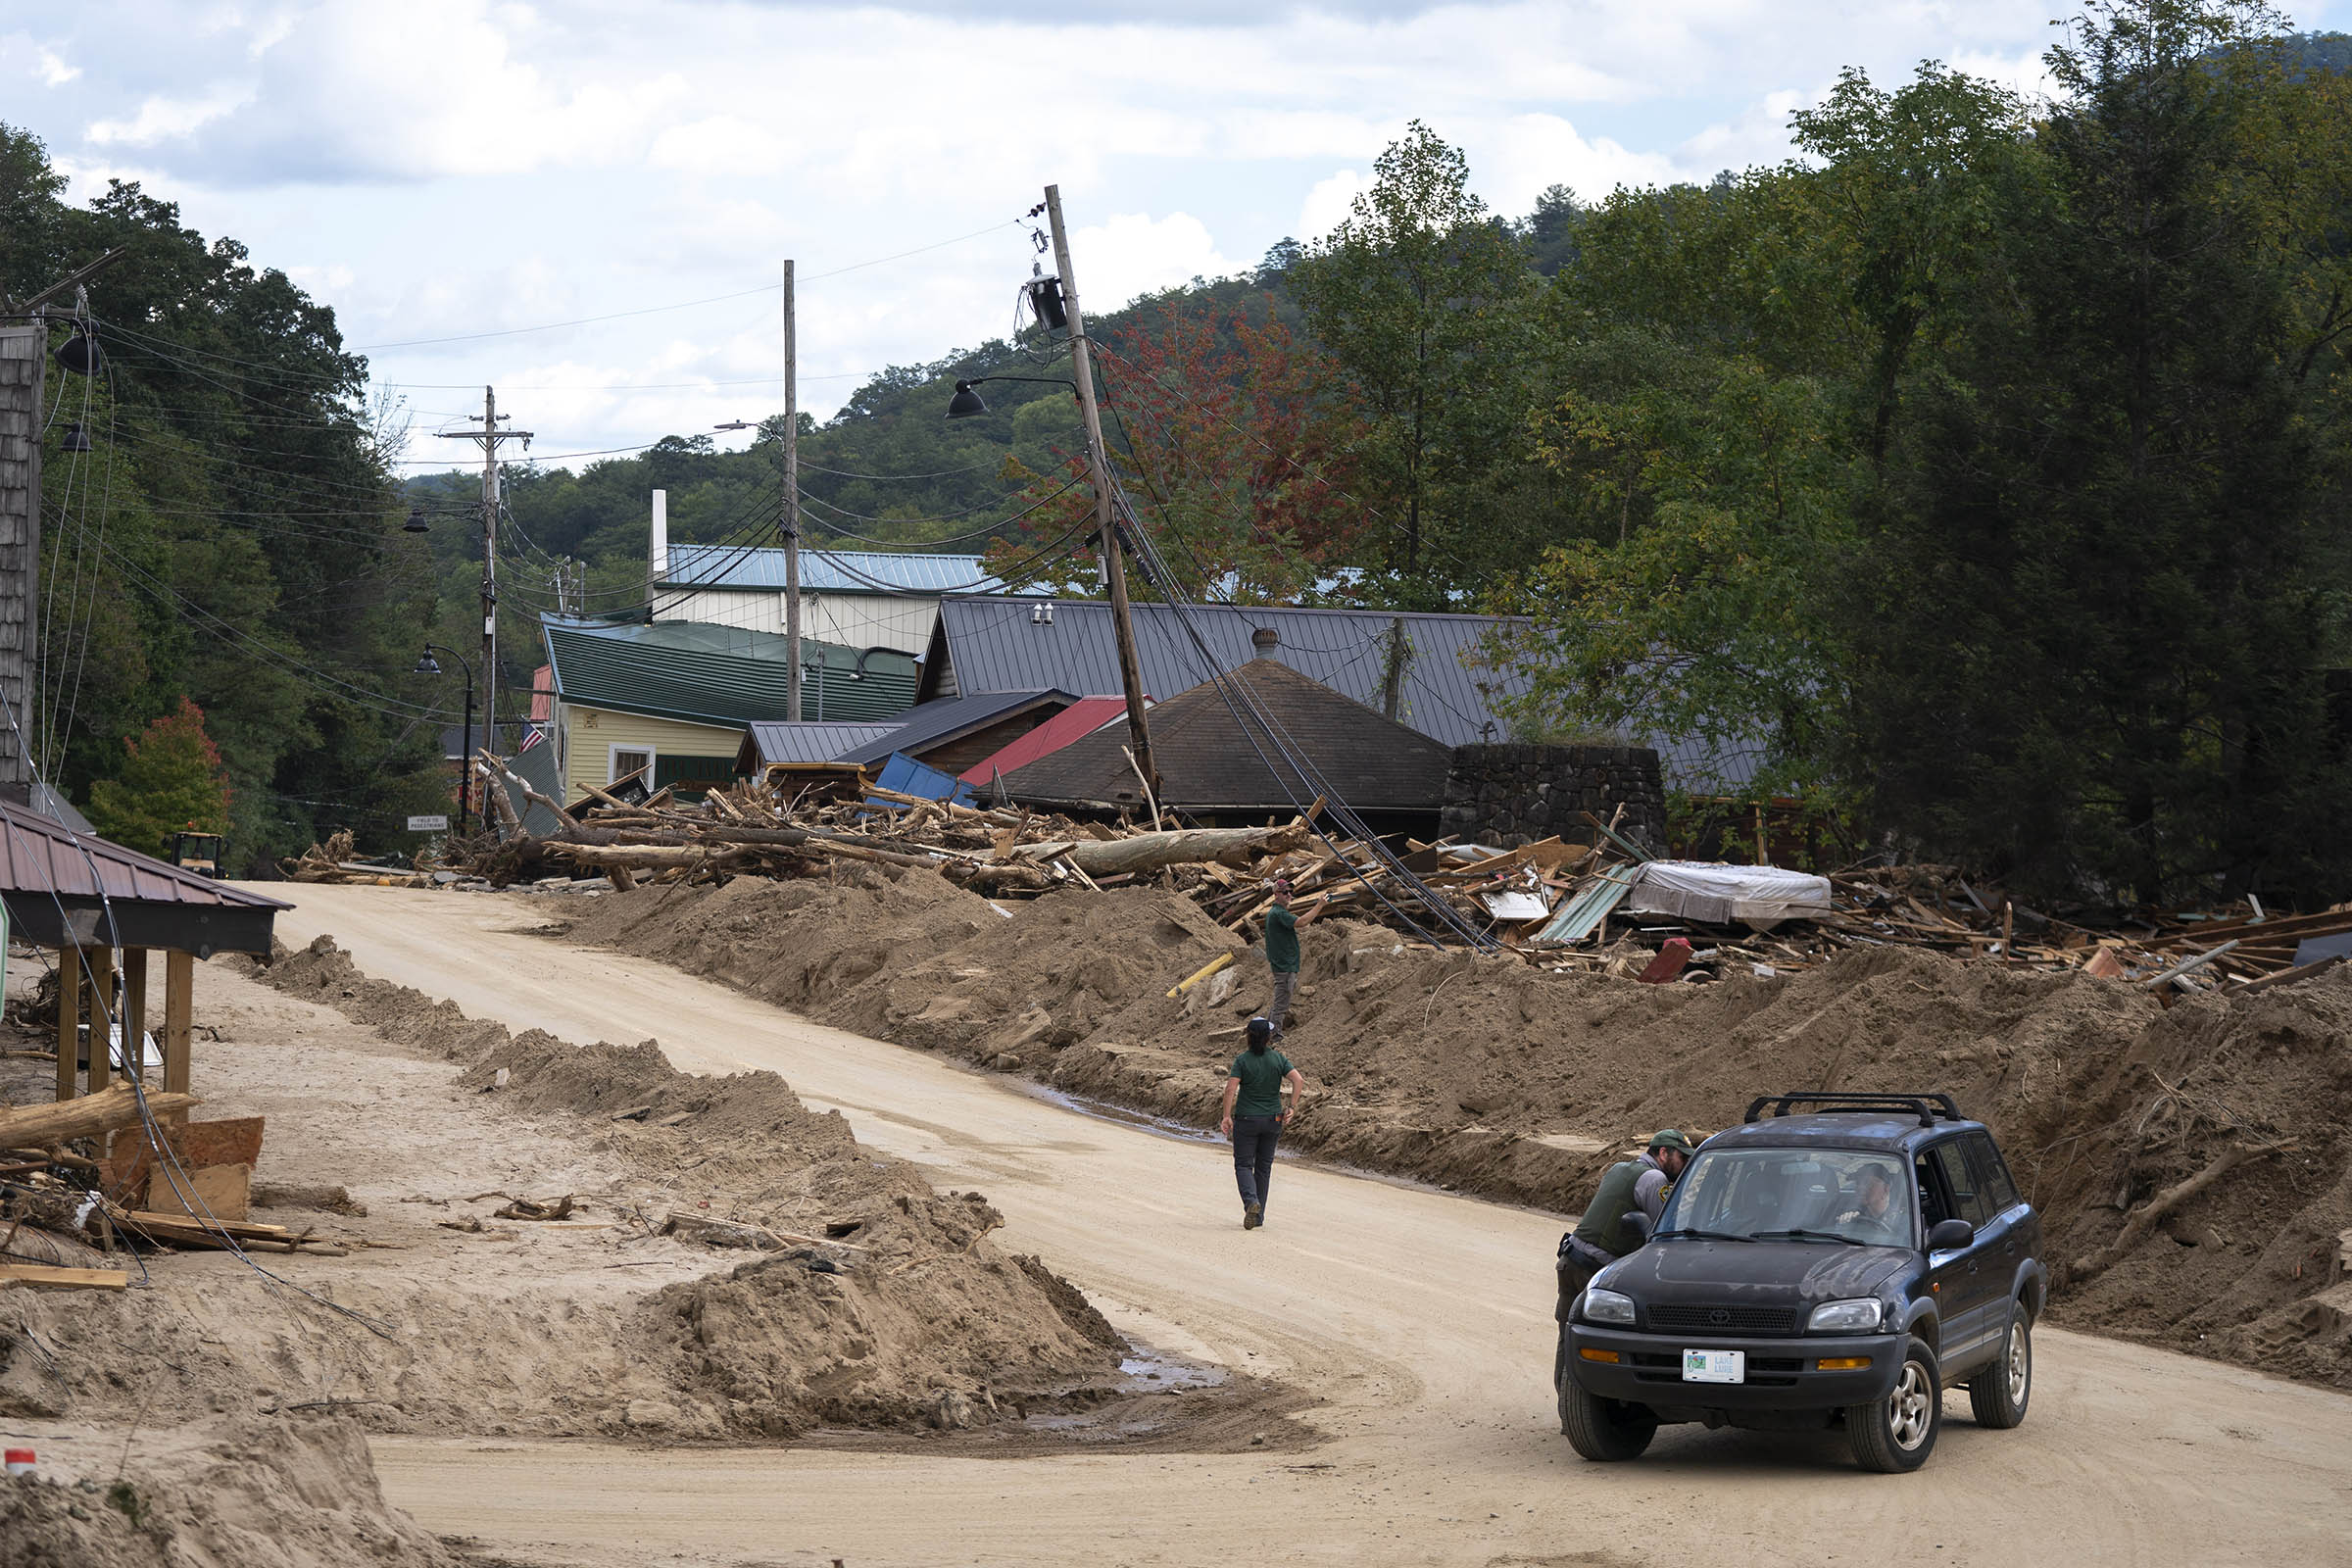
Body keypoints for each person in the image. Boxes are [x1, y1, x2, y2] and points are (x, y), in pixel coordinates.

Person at [1555, 1130, 1696, 1317]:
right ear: (1663, 1153)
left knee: (1569, 1336)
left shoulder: (1618, 1168)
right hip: (1593, 1270)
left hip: (1570, 1260)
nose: (1685, 1165)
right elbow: (1663, 1231)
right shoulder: (1654, 1178)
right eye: (1682, 1157)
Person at [1219, 1015, 1304, 1229]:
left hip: (1247, 1120)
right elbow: (1298, 1080)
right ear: (1268, 1038)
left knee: (1243, 1164)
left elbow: (1230, 1089)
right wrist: (1292, 1107)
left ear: (1248, 1037)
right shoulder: (1277, 1059)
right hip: (1273, 1120)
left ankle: (1251, 1201)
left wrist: (1226, 1116)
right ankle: (1258, 1217)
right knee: (1264, 1168)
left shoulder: (1242, 1060)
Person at [1260, 878, 1327, 1035]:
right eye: (1285, 892)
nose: (1289, 895)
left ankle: (1267, 1032)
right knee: (1281, 1004)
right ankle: (1274, 1036)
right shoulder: (1278, 913)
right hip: (1284, 966)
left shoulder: (1276, 913)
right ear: (1276, 895)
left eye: (1290, 892)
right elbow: (1302, 922)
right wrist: (1320, 905)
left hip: (1284, 965)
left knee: (1280, 1001)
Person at [1835, 1161, 1907, 1246]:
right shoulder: (1854, 1217)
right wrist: (1843, 1225)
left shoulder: (1903, 1222)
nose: (1860, 1187)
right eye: (1858, 1183)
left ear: (1886, 1189)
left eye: (1867, 1183)